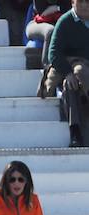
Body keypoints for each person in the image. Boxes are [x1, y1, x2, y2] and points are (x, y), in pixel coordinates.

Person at [42, 0, 89, 147]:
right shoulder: (65, 21)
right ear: (73, 2)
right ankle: (75, 131)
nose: (85, 5)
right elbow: (53, 54)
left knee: (80, 74)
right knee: (70, 85)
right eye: (81, 1)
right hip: (70, 69)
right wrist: (68, 73)